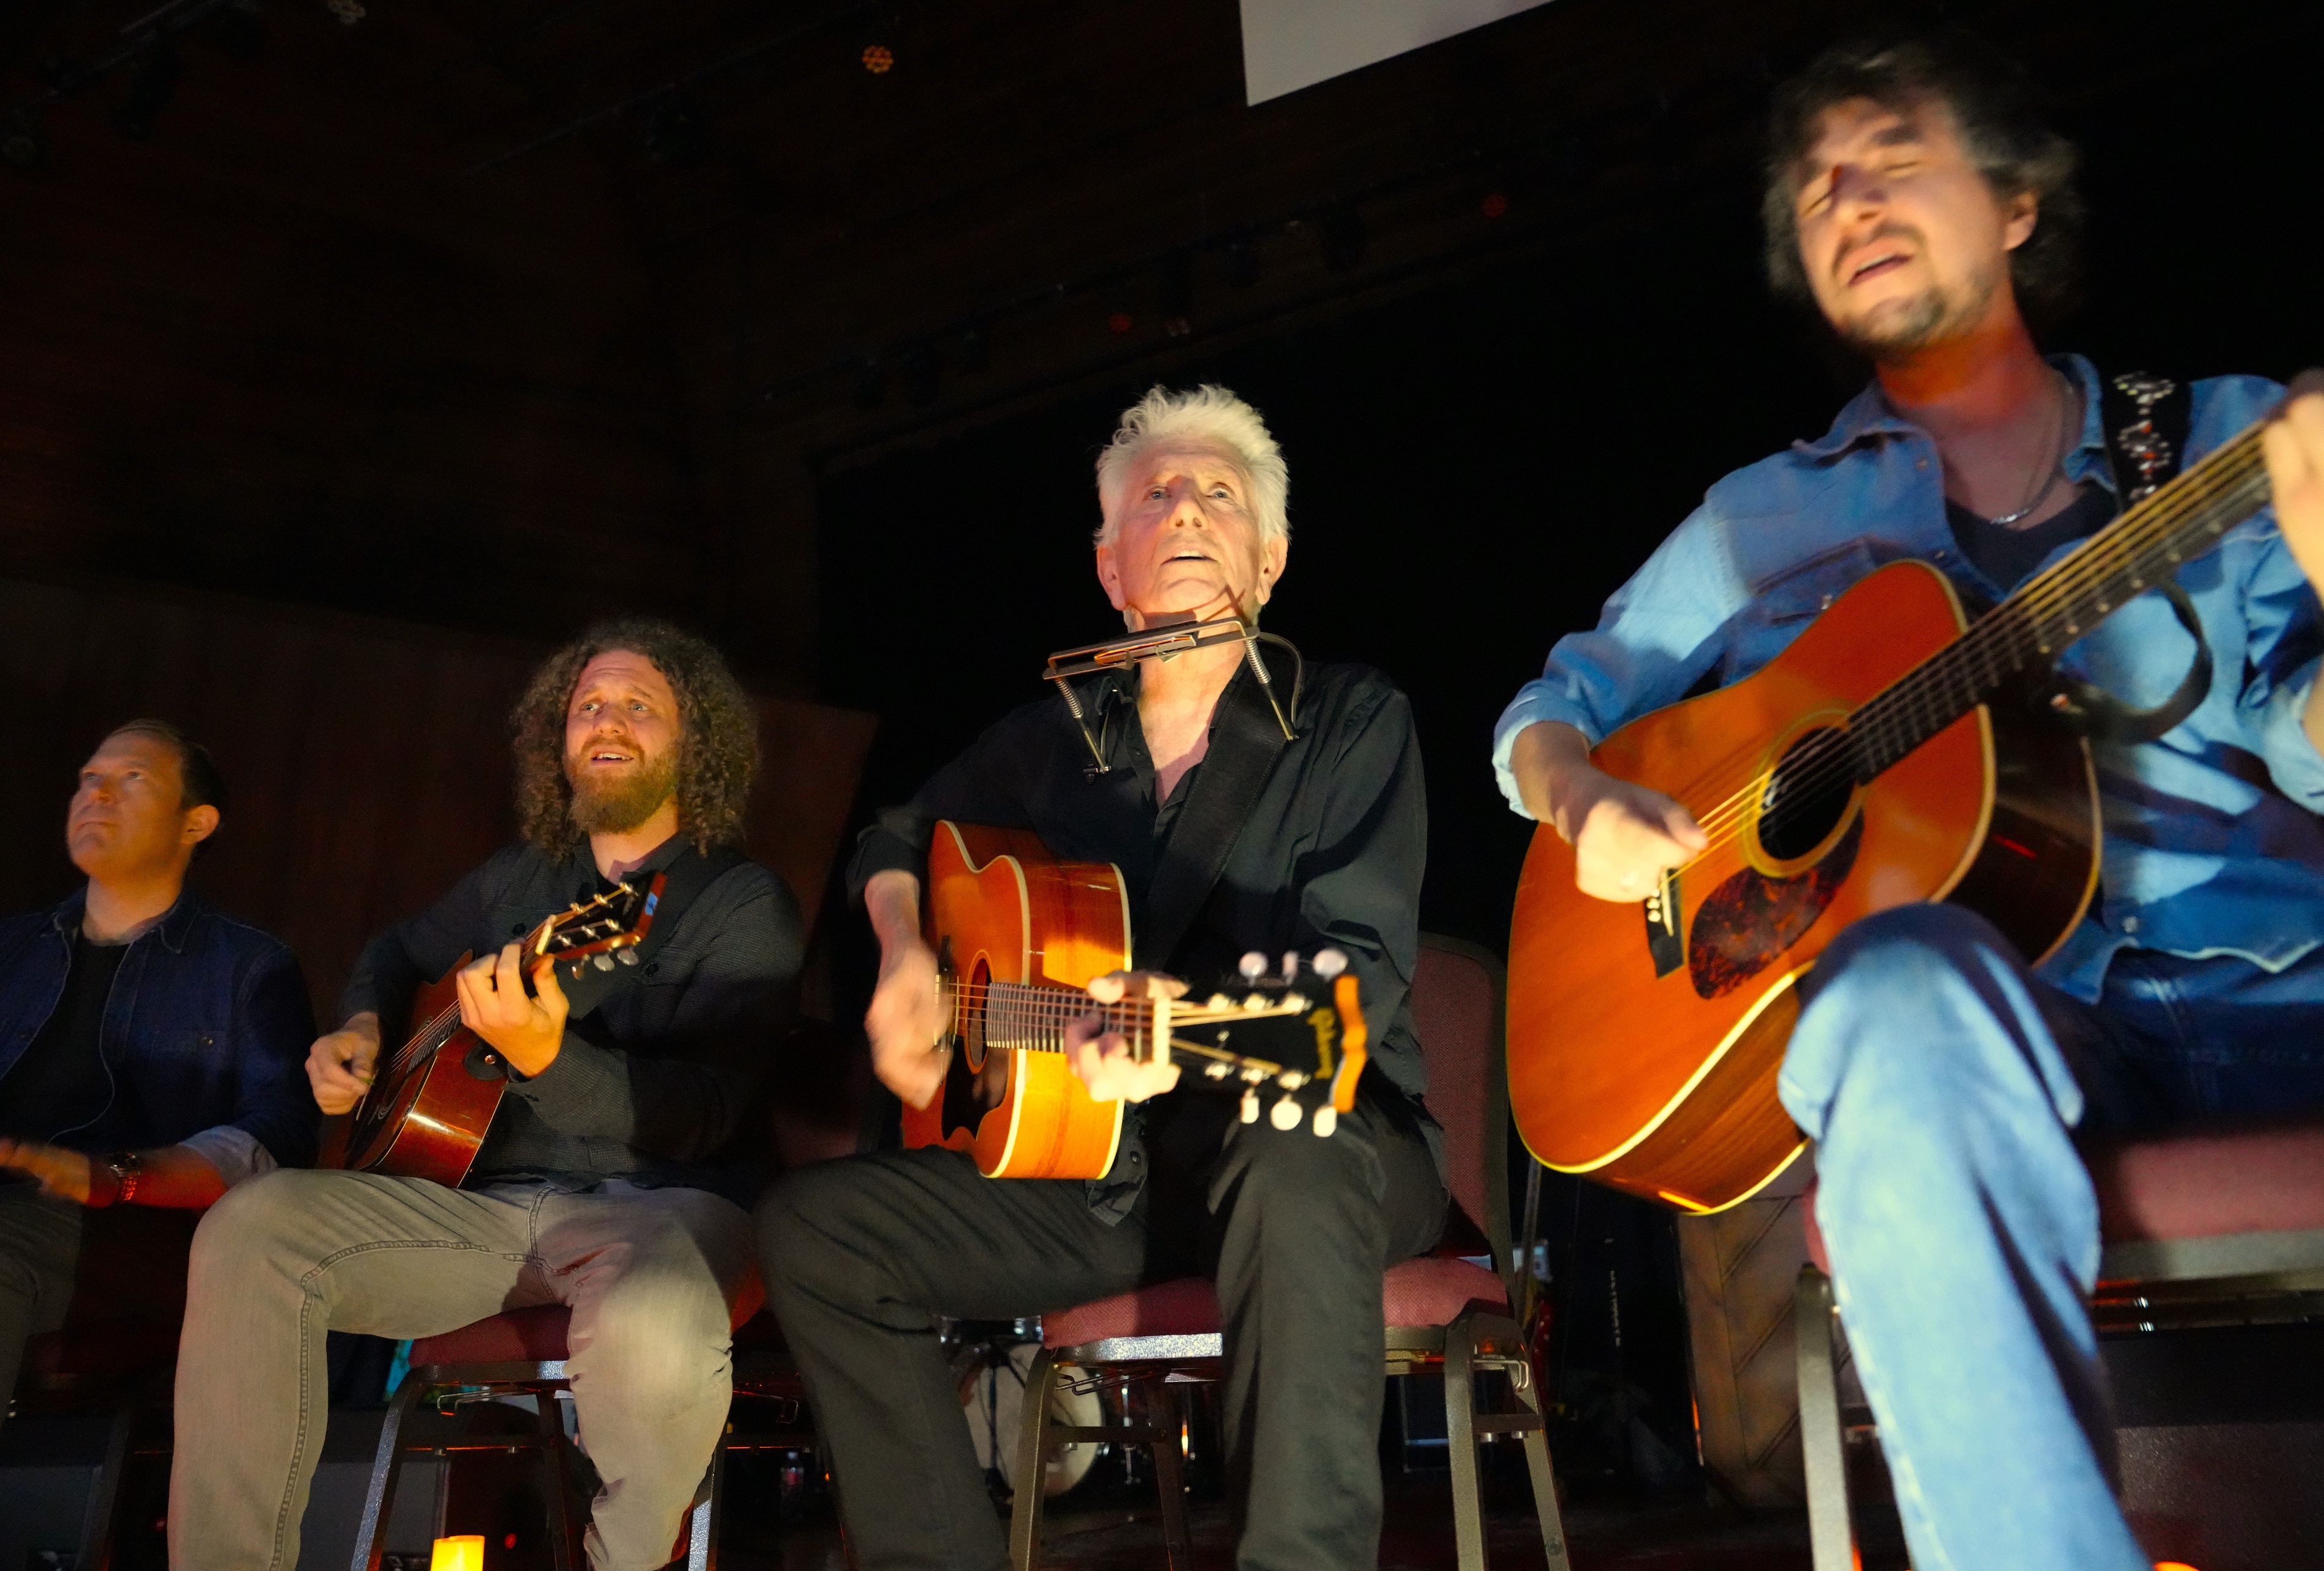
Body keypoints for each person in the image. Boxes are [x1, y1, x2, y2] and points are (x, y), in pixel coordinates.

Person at [1492, 32, 2324, 1571]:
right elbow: (1558, 705)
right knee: (1878, 1003)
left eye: (1892, 156)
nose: (1848, 198)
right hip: (2008, 1020)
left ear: (2015, 202)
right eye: (1815, 191)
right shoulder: (1765, 519)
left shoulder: (2228, 441)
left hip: (2291, 984)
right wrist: (1579, 801)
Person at [756, 384, 1446, 1571]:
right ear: (1108, 566)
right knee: (816, 1230)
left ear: (1269, 558)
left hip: (1323, 1145)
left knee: (1291, 1156)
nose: (1183, 511)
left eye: (1217, 495)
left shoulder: (1347, 721)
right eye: (1153, 496)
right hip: (1108, 1183)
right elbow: (893, 837)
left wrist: (1188, 1019)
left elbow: (1358, 979)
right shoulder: (1048, 744)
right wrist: (908, 954)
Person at [169, 618, 803, 1570]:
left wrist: (549, 1059)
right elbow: (394, 951)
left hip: (665, 1206)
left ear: (695, 743)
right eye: (589, 704)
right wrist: (363, 1028)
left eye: (640, 705)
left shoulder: (741, 902)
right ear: (559, 738)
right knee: (252, 1226)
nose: (608, 721)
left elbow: (707, 1114)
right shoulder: (522, 875)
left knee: (654, 1313)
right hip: (477, 1212)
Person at [0, 719, 315, 1475]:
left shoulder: (246, 966)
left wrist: (122, 1175)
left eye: (132, 780)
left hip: (123, 1229)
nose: (96, 793)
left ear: (197, 823)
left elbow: (280, 1135)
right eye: (89, 777)